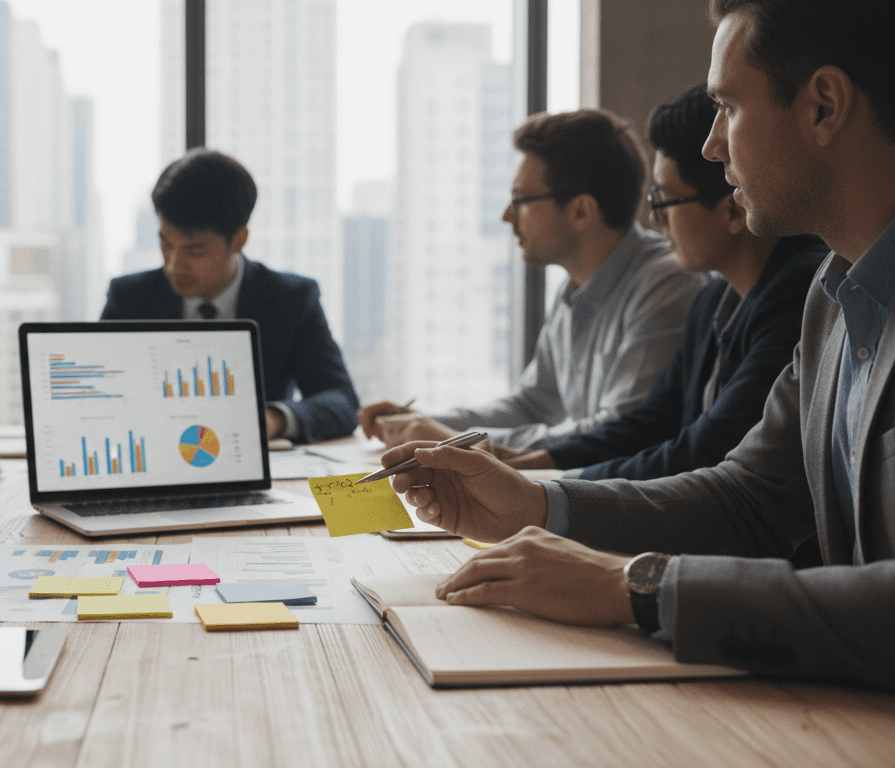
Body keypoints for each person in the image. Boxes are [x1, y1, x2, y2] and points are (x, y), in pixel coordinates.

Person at [385, 0, 895, 690]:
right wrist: (539, 506)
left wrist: (639, 585)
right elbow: (749, 497)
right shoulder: (832, 298)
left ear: (824, 106)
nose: (714, 145)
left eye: (729, 108)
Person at [505, 84, 828, 480]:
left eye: (662, 203)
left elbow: (704, 451)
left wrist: (548, 490)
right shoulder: (713, 299)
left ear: (731, 210)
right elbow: (648, 423)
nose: (655, 223)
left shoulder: (799, 295)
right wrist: (534, 466)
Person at [361, 110, 707, 453]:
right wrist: (421, 423)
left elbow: (616, 434)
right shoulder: (574, 288)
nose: (507, 216)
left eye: (520, 200)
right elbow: (532, 405)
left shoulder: (666, 286)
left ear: (580, 211)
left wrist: (451, 439)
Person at [100, 149, 359, 444]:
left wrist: (273, 420)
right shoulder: (130, 298)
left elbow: (341, 400)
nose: (173, 265)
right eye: (165, 243)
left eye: (194, 251)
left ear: (239, 240)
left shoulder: (290, 299)